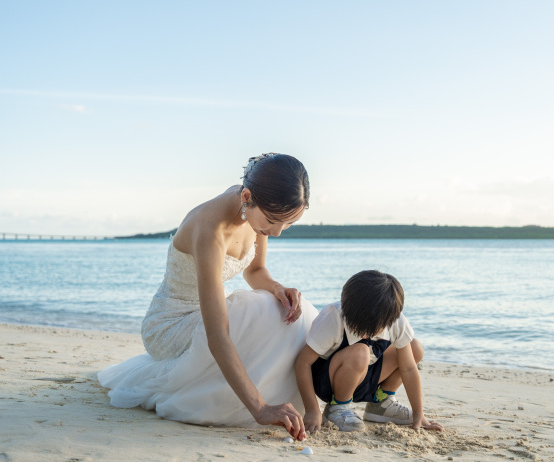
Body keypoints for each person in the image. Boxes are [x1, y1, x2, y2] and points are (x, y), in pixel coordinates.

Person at [98, 153, 315, 440]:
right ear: (247, 196)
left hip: (211, 310)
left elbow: (257, 270)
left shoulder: (255, 205)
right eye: (273, 221)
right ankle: (256, 397)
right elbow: (218, 336)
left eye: (287, 224)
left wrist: (276, 288)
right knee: (255, 309)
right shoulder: (209, 229)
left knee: (287, 311)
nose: (275, 233)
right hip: (171, 322)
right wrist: (260, 408)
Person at [294, 270, 443, 433]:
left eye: (371, 330)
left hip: (365, 377)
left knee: (414, 348)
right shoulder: (333, 317)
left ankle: (381, 404)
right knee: (360, 351)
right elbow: (303, 363)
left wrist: (418, 413)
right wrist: (312, 410)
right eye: (355, 325)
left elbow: (408, 368)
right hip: (329, 381)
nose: (361, 331)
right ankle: (337, 407)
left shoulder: (395, 320)